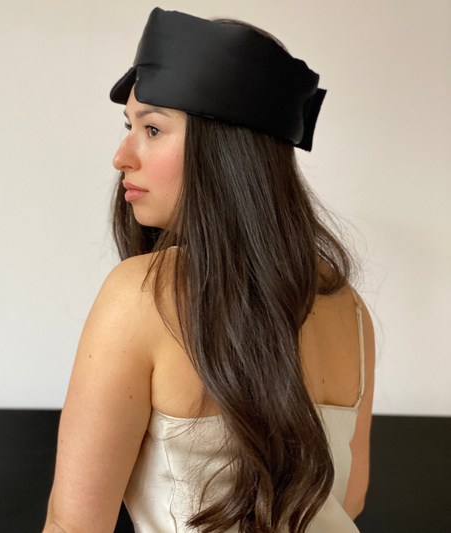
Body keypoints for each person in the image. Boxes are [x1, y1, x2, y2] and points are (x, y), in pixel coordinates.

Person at [42, 7, 375, 533]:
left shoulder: (141, 294)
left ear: (224, 150)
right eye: (129, 127)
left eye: (153, 129)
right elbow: (347, 499)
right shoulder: (347, 307)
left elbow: (74, 525)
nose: (122, 156)